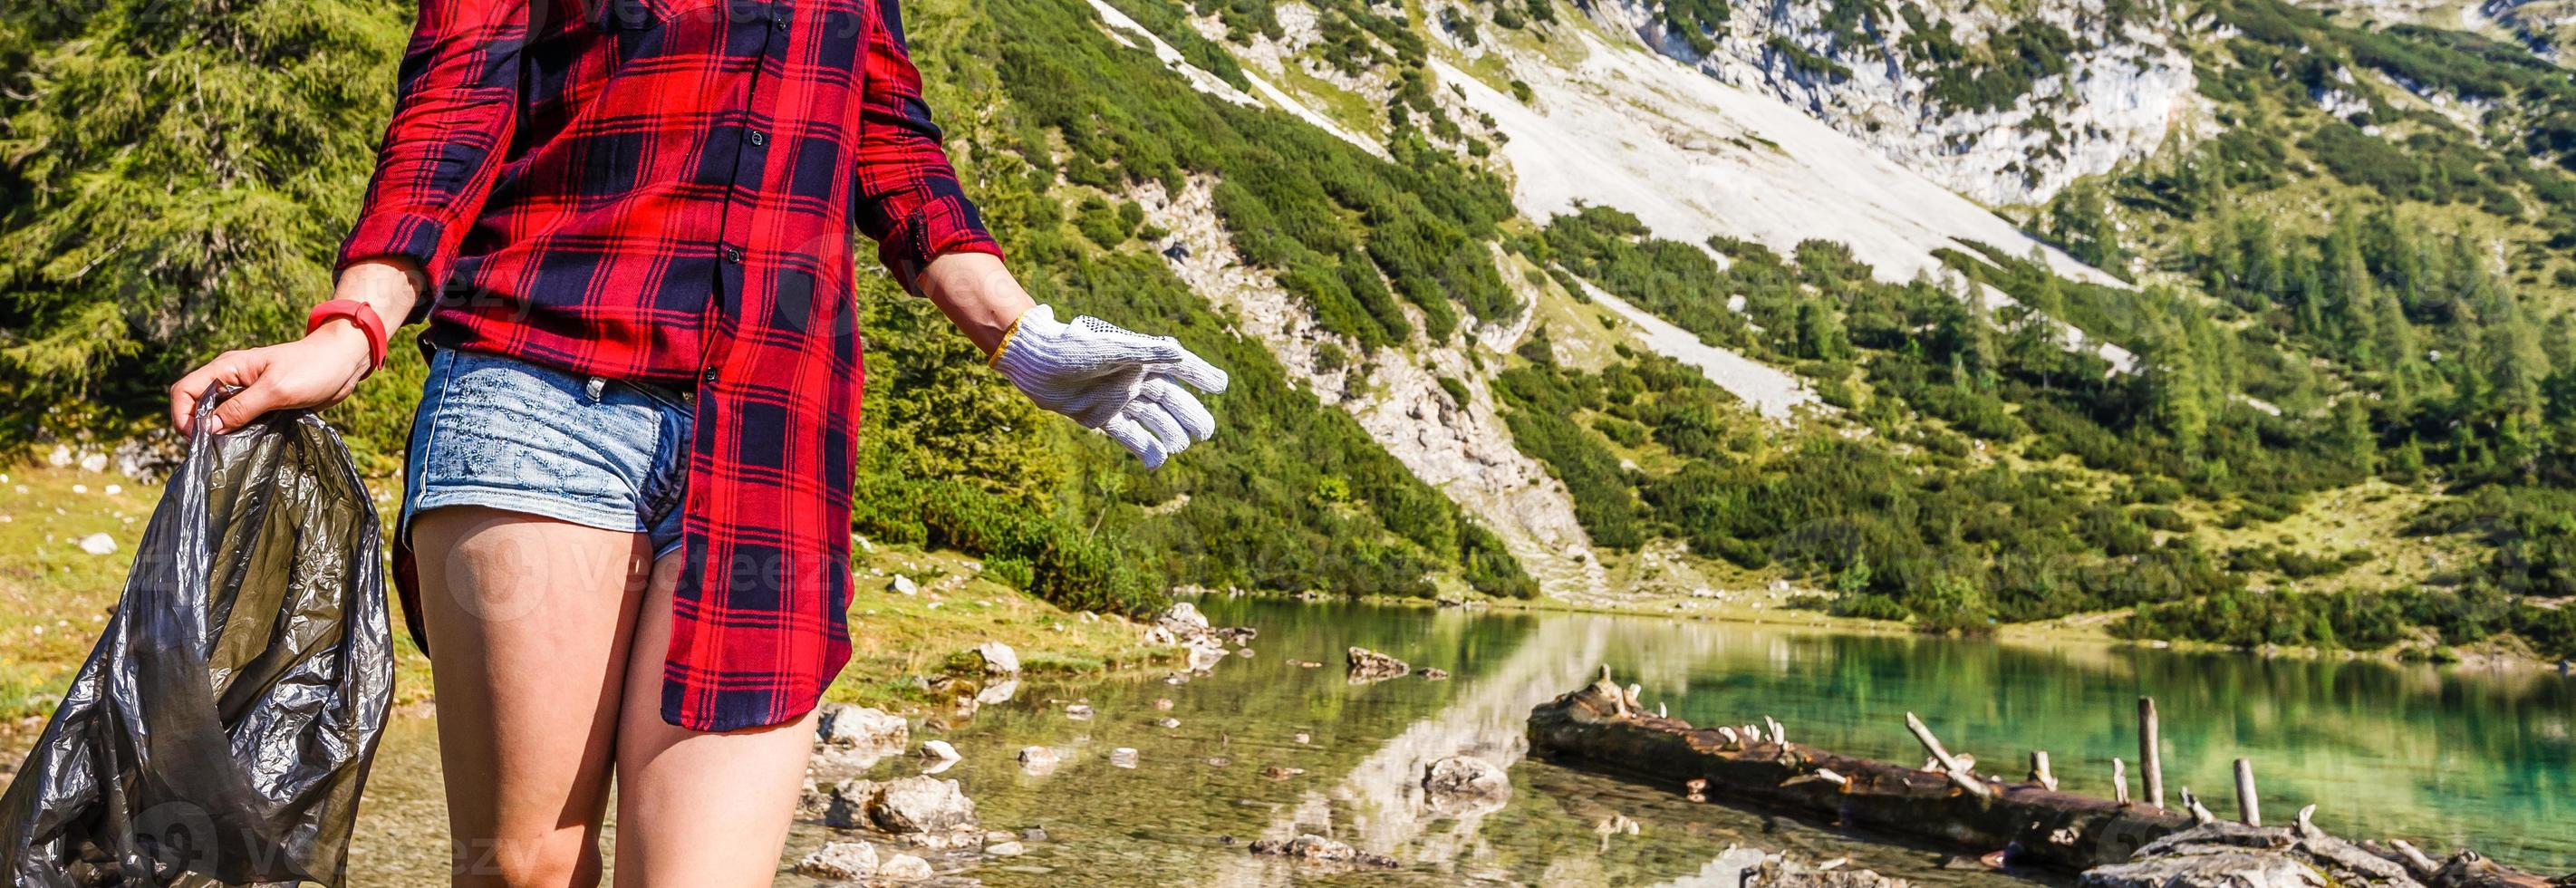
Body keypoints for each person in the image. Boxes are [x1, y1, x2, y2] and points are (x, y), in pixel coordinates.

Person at [164, 0, 1227, 884]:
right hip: (542, 384)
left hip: (774, 434)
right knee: (526, 865)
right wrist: (354, 328)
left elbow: (894, 149)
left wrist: (1023, 335)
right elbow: (454, 109)